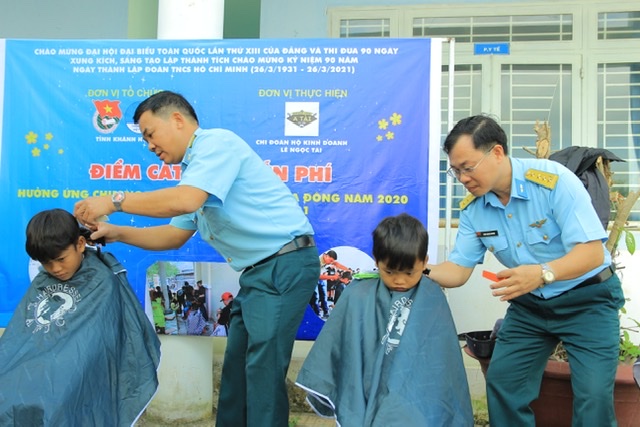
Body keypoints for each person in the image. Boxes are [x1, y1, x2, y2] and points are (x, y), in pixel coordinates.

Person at [73, 90, 320, 427]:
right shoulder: (196, 173)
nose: (149, 146)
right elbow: (173, 235)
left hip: (283, 265)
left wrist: (114, 200)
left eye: (150, 134)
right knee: (236, 374)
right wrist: (114, 231)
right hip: (256, 276)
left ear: (177, 119)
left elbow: (186, 201)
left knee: (262, 374)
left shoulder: (217, 145)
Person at [425, 115, 624, 426]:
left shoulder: (552, 181)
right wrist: (418, 270)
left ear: (497, 153)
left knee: (593, 397)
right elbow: (458, 271)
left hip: (588, 302)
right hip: (531, 308)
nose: (462, 178)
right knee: (504, 384)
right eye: (456, 171)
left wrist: (542, 273)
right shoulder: (474, 209)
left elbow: (592, 253)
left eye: (468, 167)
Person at [296, 213, 473, 425]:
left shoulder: (432, 297)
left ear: (425, 262)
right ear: (376, 260)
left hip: (414, 398)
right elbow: (340, 347)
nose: (399, 280)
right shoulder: (358, 293)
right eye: (389, 271)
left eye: (409, 273)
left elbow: (439, 362)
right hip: (365, 387)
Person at [0, 208, 160, 426]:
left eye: (60, 259)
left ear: (81, 244)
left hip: (75, 369)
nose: (55, 269)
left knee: (56, 399)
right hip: (39, 365)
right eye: (46, 263)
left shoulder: (102, 281)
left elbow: (94, 343)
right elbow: (20, 339)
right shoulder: (42, 282)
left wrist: (58, 366)